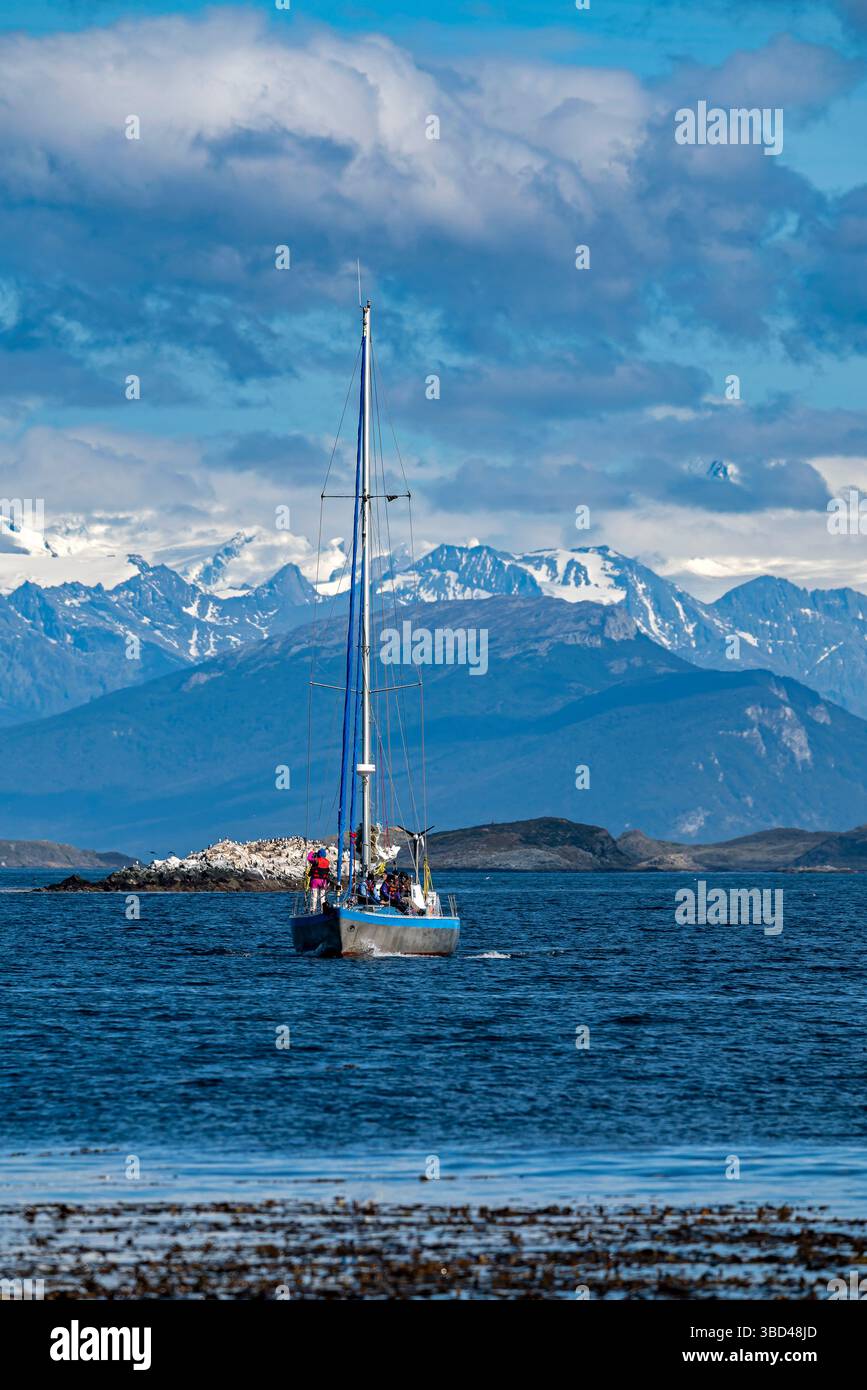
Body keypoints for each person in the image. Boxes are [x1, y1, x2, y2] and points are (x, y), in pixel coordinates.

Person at [307, 846, 331, 912]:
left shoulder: (316, 860)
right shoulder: (327, 862)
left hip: (315, 881)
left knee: (314, 897)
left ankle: (313, 910)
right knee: (322, 897)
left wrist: (311, 852)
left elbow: (309, 858)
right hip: (323, 881)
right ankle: (323, 910)